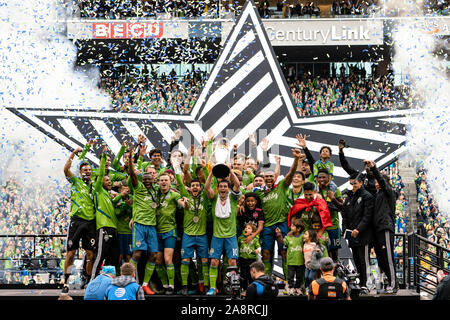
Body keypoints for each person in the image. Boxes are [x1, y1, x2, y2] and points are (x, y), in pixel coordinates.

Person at [254, 149, 303, 280]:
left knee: (284, 252)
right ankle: (267, 280)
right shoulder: (258, 193)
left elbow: (291, 174)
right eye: (266, 177)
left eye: (271, 176)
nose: (269, 178)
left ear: (274, 177)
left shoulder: (281, 186)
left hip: (281, 224)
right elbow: (247, 198)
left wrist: (296, 159)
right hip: (267, 227)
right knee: (266, 254)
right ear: (263, 179)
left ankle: (288, 282)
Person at [62, 147, 96, 293]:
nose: (87, 171)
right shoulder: (75, 182)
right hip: (76, 222)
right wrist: (74, 154)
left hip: (90, 223)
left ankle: (88, 281)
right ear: (80, 172)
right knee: (71, 254)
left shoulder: (95, 186)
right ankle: (66, 281)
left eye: (89, 169)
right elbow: (65, 169)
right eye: (84, 170)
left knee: (90, 254)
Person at [204, 166, 242, 296]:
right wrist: (211, 173)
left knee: (232, 262)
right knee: (214, 262)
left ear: (228, 188)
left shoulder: (233, 198)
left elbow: (237, 184)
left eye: (225, 187)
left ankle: (233, 287)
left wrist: (230, 171)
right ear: (218, 188)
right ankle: (213, 288)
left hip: (231, 235)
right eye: (221, 187)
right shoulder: (214, 198)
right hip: (217, 236)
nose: (223, 189)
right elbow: (206, 188)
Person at [127, 146, 159, 295]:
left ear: (153, 180)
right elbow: (132, 174)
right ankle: (130, 281)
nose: (147, 182)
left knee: (153, 255)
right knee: (137, 253)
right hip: (139, 225)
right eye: (145, 179)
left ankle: (145, 284)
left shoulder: (156, 190)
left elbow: (169, 188)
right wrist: (130, 159)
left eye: (149, 180)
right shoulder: (138, 187)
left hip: (152, 227)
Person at [175, 167, 211, 295]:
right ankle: (185, 286)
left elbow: (208, 183)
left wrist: (208, 169)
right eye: (193, 185)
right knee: (185, 260)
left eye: (197, 185)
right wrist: (176, 168)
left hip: (201, 235)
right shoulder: (186, 198)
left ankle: (206, 285)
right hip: (188, 235)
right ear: (189, 188)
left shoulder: (205, 199)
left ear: (200, 188)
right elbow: (180, 184)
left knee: (205, 261)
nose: (195, 187)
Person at [90, 148, 124, 280]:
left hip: (114, 228)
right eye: (107, 180)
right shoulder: (98, 190)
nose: (109, 182)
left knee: (114, 257)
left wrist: (121, 194)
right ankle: (92, 280)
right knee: (100, 255)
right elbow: (100, 176)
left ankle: (111, 281)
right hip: (103, 227)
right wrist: (104, 157)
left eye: (110, 180)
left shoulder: (109, 196)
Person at [366, 160, 397, 293]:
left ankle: (394, 284)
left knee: (388, 258)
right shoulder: (378, 194)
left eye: (378, 181)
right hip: (378, 230)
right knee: (382, 258)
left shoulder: (388, 192)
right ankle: (389, 283)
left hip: (385, 227)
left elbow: (382, 181)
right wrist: (369, 170)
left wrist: (374, 167)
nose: (376, 183)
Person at [341, 171, 375, 293]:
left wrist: (358, 229)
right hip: (352, 236)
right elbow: (344, 215)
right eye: (351, 184)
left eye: (354, 183)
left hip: (364, 235)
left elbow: (367, 216)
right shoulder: (350, 197)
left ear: (360, 183)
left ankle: (366, 284)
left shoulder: (367, 196)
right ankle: (361, 282)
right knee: (356, 259)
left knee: (363, 259)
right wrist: (345, 229)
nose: (353, 186)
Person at [316, 168, 343, 262]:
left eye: (324, 177)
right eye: (319, 177)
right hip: (320, 227)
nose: (321, 179)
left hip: (333, 226)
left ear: (329, 178)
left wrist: (333, 199)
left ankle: (335, 274)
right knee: (323, 253)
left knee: (334, 254)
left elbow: (342, 207)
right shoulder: (315, 191)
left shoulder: (335, 189)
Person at [276, 218, 305, 296]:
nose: (290, 227)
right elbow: (282, 243)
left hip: (300, 261)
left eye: (293, 226)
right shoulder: (288, 237)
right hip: (290, 262)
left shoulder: (303, 237)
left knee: (299, 276)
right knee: (290, 277)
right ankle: (291, 288)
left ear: (298, 228)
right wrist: (279, 235)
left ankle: (298, 288)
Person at [238, 222, 261, 291]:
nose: (246, 229)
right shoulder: (240, 238)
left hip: (252, 261)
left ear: (252, 232)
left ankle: (252, 289)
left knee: (250, 275)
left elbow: (259, 247)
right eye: (245, 228)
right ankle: (244, 288)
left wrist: (258, 250)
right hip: (242, 260)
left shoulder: (255, 240)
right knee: (243, 275)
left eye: (249, 228)